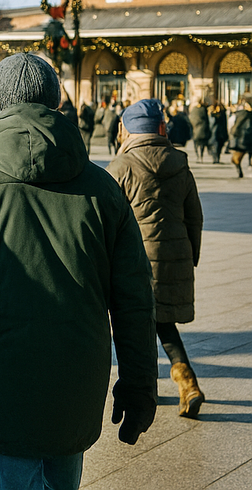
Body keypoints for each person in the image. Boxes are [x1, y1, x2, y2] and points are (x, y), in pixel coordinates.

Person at [0, 53, 157, 490]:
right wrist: (139, 384)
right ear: (56, 104)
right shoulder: (103, 189)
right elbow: (135, 300)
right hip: (75, 381)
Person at [106, 99, 206, 418]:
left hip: (135, 262)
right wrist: (191, 255)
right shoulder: (180, 163)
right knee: (163, 322)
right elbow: (195, 217)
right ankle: (185, 382)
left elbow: (105, 221)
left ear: (128, 130)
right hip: (174, 255)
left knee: (133, 324)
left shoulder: (120, 167)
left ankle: (149, 386)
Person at [229, 95, 252, 178]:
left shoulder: (242, 114)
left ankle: (239, 171)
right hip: (246, 138)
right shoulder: (245, 114)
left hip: (242, 138)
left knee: (237, 158)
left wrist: (233, 135)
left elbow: (235, 126)